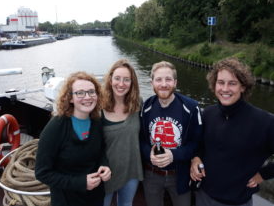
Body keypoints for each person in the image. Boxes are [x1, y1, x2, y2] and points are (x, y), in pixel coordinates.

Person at [190, 57, 274, 206]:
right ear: (214, 85)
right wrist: (196, 158)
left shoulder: (264, 122)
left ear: (243, 87)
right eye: (221, 82)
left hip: (237, 201)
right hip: (203, 196)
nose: (225, 89)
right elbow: (200, 144)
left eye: (232, 83)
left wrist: (263, 174)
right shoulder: (208, 114)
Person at [35, 71, 111, 206]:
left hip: (95, 197)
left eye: (91, 92)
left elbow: (101, 152)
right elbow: (42, 173)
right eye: (80, 93)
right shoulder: (56, 126)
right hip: (67, 199)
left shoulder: (97, 121)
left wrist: (105, 166)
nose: (87, 97)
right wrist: (81, 183)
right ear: (70, 98)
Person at [140, 61, 203, 206]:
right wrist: (148, 152)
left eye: (168, 79)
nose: (163, 84)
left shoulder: (191, 108)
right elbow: (141, 140)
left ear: (175, 82)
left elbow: (197, 143)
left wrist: (173, 155)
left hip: (179, 174)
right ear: (152, 83)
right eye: (158, 80)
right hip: (152, 174)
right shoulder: (146, 107)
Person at [101, 59, 143, 206]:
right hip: (104, 173)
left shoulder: (138, 104)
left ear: (132, 83)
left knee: (126, 204)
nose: (121, 84)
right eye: (117, 78)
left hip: (131, 170)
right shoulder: (98, 107)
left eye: (126, 80)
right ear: (110, 79)